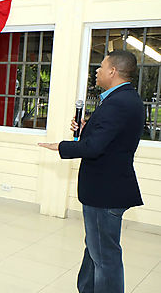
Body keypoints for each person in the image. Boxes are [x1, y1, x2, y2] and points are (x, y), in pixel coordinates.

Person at [38, 50, 144, 293]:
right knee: (95, 248)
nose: (96, 71)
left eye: (101, 66)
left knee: (105, 257)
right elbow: (109, 140)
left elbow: (95, 148)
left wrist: (61, 146)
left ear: (112, 71)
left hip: (105, 191)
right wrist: (87, 128)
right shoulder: (125, 99)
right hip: (109, 186)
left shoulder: (117, 102)